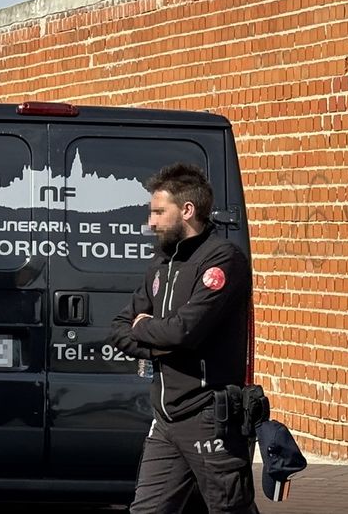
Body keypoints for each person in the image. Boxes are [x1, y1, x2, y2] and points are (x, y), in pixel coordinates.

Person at [109, 163, 257, 514]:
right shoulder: (163, 262)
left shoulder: (223, 260)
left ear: (187, 210)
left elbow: (185, 331)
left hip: (207, 415)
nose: (151, 223)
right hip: (166, 417)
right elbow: (118, 327)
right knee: (146, 509)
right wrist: (159, 338)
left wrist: (149, 329)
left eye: (159, 212)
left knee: (229, 509)